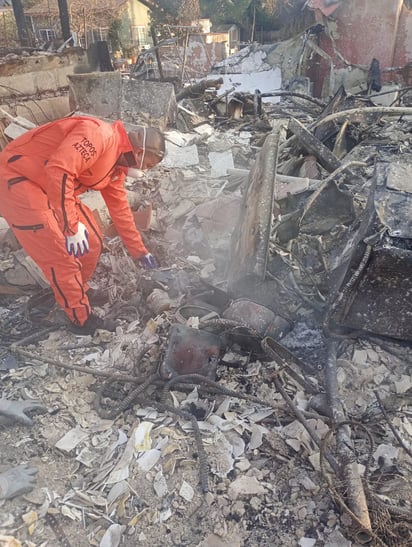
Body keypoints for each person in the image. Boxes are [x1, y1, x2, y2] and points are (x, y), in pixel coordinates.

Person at [0, 115, 165, 334]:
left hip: (50, 185)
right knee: (62, 256)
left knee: (92, 243)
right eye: (149, 165)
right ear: (140, 153)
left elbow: (121, 211)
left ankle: (77, 291)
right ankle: (80, 319)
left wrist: (140, 252)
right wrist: (71, 227)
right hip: (19, 179)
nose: (145, 171)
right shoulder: (98, 136)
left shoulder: (116, 167)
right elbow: (59, 170)